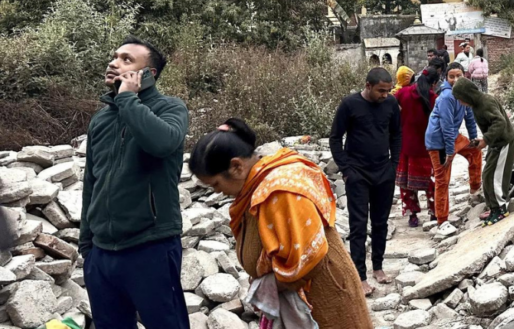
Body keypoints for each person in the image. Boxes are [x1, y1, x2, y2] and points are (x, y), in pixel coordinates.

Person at [190, 119, 372, 328]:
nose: (216, 191)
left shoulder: (280, 190)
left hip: (324, 297)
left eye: (216, 184)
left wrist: (263, 287)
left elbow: (305, 259)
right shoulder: (255, 185)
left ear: (237, 166)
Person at [80, 36, 190, 329]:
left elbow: (162, 143)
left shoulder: (170, 108)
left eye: (127, 60)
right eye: (115, 56)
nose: (114, 62)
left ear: (148, 74)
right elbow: (91, 181)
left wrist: (127, 97)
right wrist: (87, 247)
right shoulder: (100, 121)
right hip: (101, 255)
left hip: (150, 247)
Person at [329, 67, 402, 295]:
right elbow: (335, 138)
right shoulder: (350, 105)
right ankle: (359, 276)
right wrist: (346, 168)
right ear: (368, 86)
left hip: (384, 172)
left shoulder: (390, 104)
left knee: (380, 223)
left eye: (388, 90)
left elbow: (396, 134)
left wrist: (394, 165)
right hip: (357, 174)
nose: (385, 95)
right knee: (358, 226)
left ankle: (378, 267)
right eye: (381, 90)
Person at [425, 62, 483, 235]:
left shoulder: (464, 94)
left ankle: (475, 188)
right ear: (446, 78)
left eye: (459, 76)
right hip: (438, 141)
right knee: (442, 179)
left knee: (475, 150)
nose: (455, 79)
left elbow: (470, 117)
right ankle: (442, 220)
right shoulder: (446, 97)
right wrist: (450, 152)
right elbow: (446, 126)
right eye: (452, 76)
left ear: (465, 76)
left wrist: (473, 138)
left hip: (452, 136)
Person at [453, 77, 514, 226]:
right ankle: (493, 207)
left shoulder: (485, 102)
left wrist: (485, 140)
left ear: (467, 95)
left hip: (505, 142)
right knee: (487, 174)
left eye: (460, 99)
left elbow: (500, 122)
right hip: (496, 143)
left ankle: (501, 209)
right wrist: (480, 139)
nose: (460, 102)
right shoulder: (476, 105)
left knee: (496, 177)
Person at [394, 67, 440, 227]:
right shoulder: (433, 97)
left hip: (405, 145)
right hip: (427, 147)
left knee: (406, 184)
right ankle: (434, 212)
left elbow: (390, 108)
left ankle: (412, 215)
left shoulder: (402, 93)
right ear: (433, 83)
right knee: (431, 182)